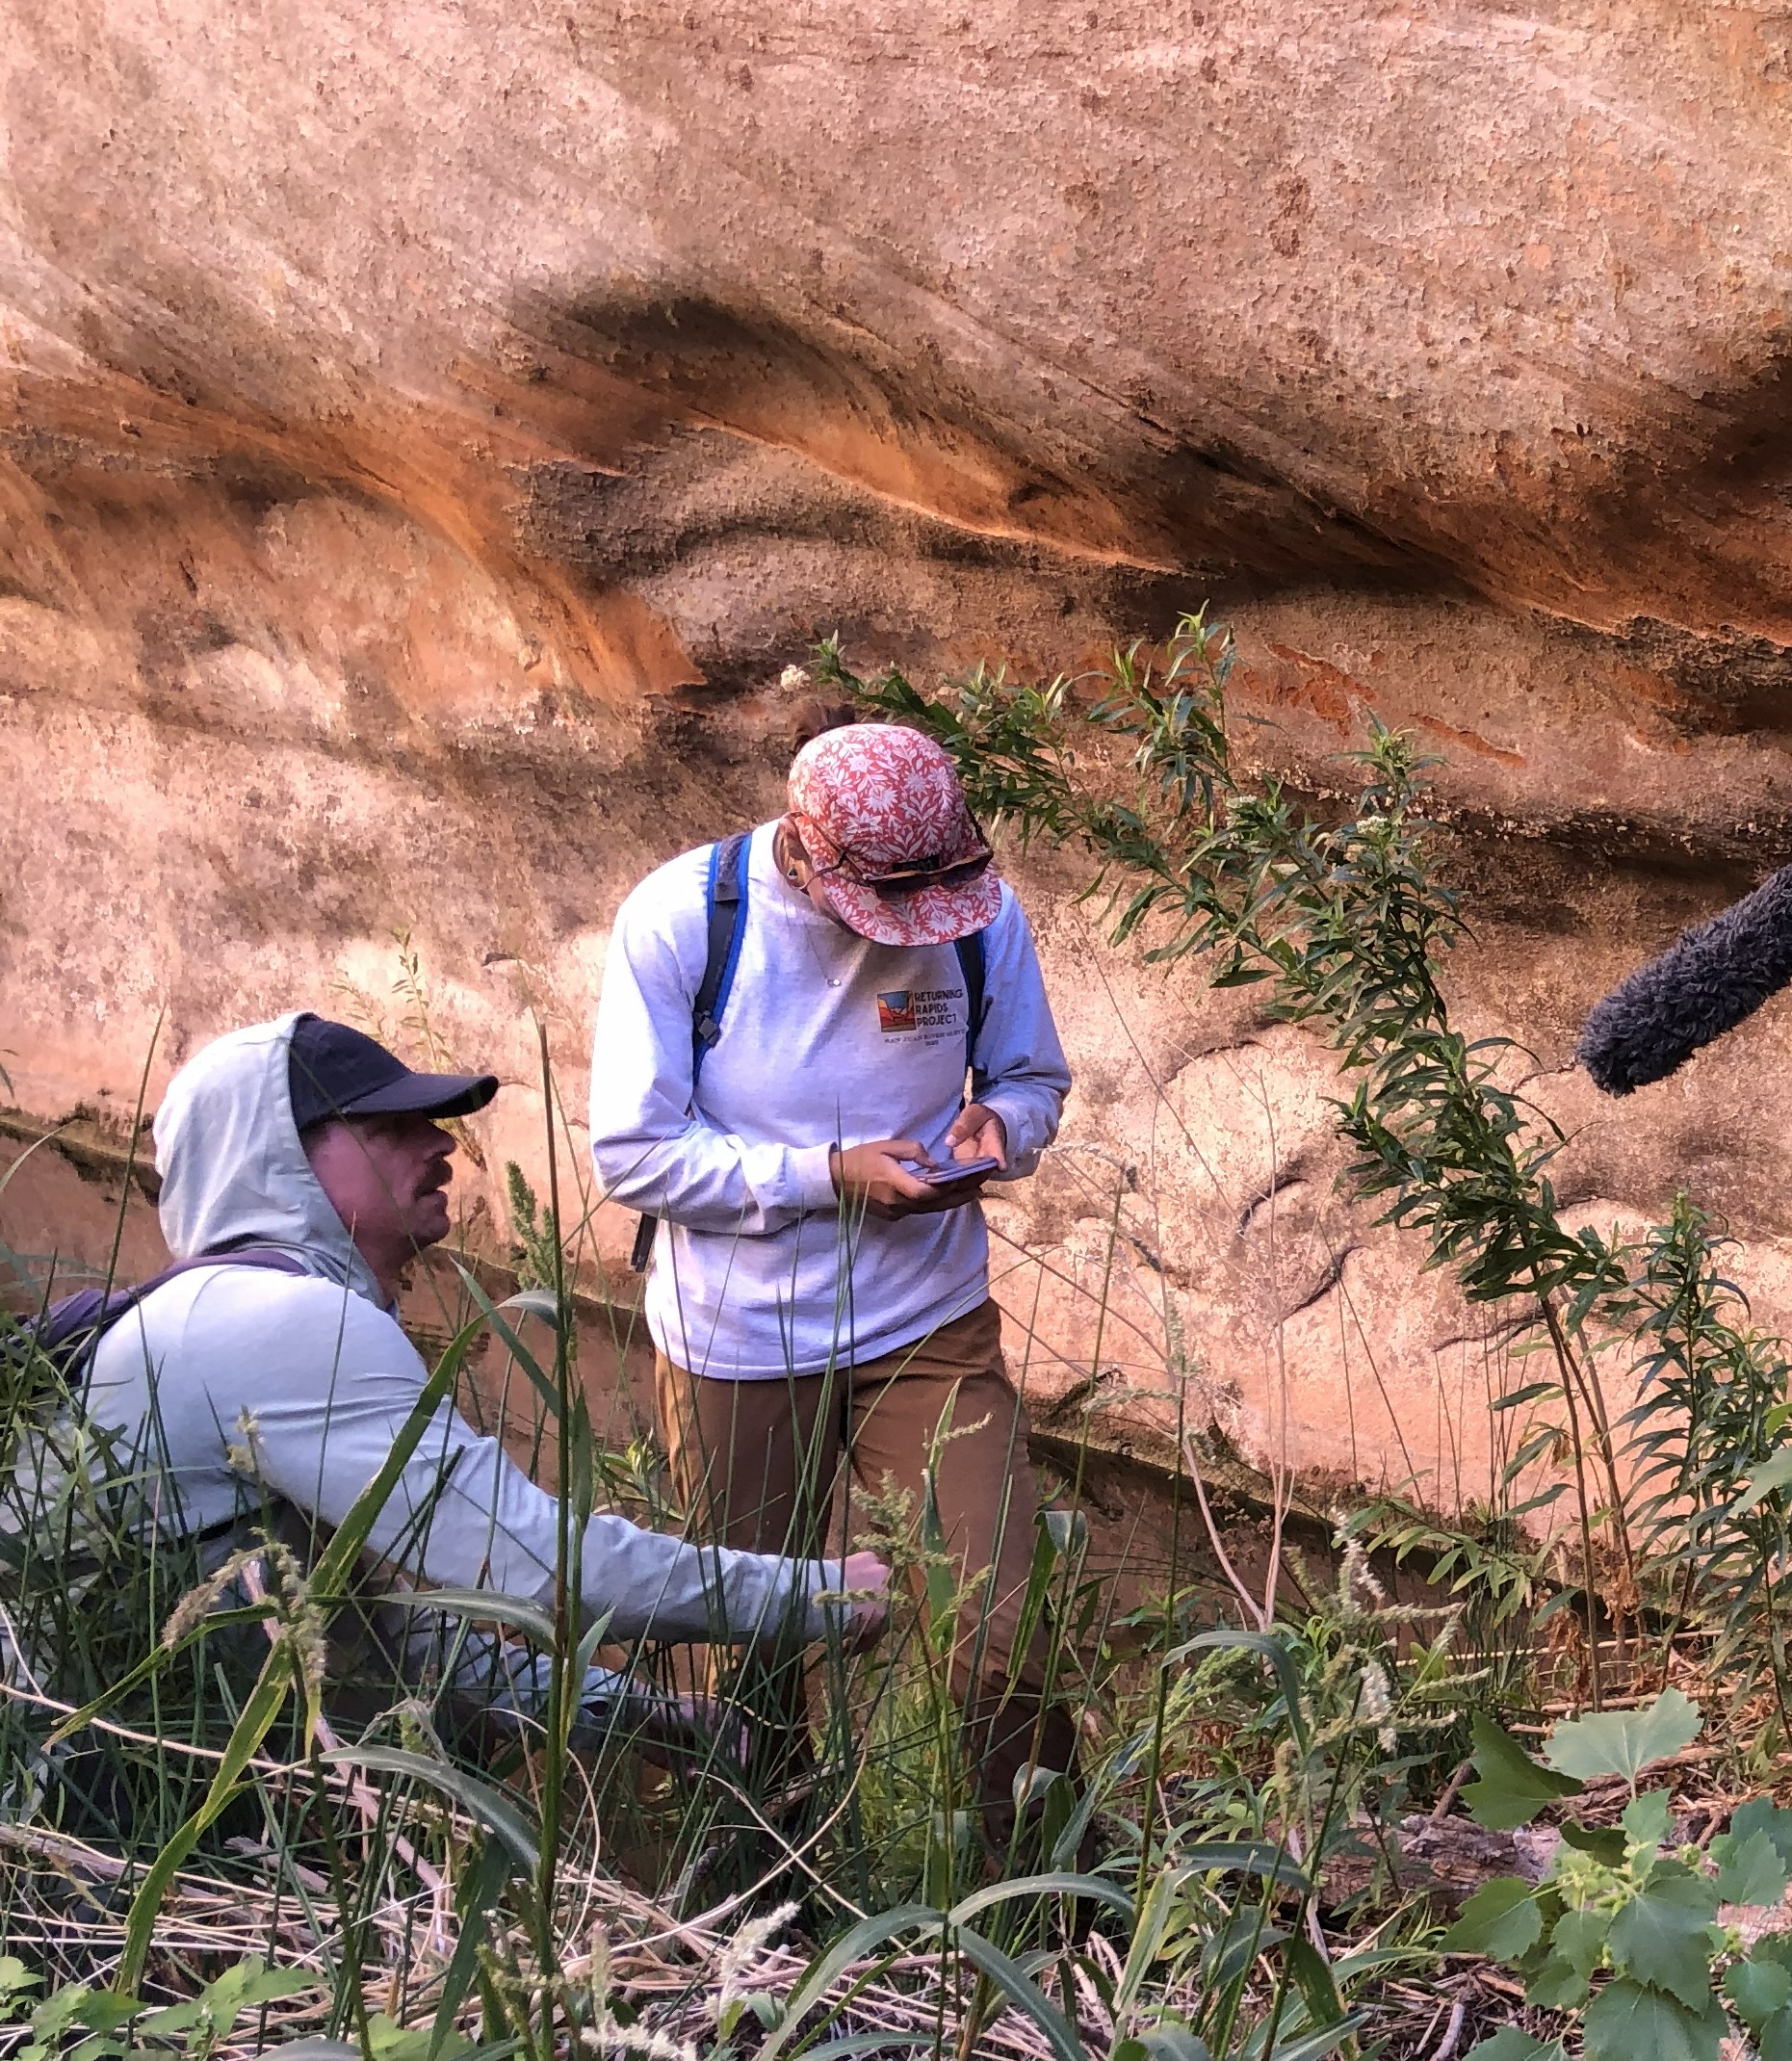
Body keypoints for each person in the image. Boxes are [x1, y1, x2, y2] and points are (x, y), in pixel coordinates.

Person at [61, 1014, 883, 1756]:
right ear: (278, 1161)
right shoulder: (280, 1320)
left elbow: (380, 1642)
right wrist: (822, 1595)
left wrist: (638, 1711)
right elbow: (543, 1572)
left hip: (129, 1756)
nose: (442, 1144)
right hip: (87, 1795)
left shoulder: (221, 1305)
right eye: (390, 1126)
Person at [591, 721, 1076, 1837]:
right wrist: (829, 1176)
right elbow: (632, 1154)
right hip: (740, 1336)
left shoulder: (981, 909)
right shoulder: (683, 920)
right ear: (807, 852)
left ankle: (1039, 1898)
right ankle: (759, 1883)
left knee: (1005, 1620)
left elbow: (1032, 1073)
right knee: (748, 1640)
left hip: (929, 1321)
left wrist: (1003, 1126)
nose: (913, 932)